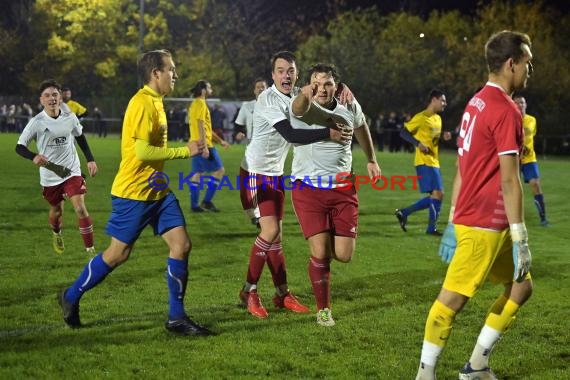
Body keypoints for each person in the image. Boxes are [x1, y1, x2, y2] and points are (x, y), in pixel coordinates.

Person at [57, 49, 211, 336]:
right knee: (118, 254)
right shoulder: (142, 103)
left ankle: (176, 318)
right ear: (156, 73)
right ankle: (71, 294)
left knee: (182, 244)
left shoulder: (156, 101)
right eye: (171, 69)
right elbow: (141, 151)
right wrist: (183, 150)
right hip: (134, 192)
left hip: (157, 189)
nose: (175, 75)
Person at [415, 30, 534, 380]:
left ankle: (476, 365)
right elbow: (511, 179)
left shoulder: (477, 101)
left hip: (484, 221)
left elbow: (462, 166)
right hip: (485, 223)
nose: (530, 70)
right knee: (450, 302)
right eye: (527, 62)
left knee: (521, 287)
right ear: (511, 64)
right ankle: (425, 374)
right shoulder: (506, 110)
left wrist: (452, 218)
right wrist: (521, 237)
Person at [238, 51, 352, 319]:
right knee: (270, 232)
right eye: (280, 70)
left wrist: (344, 89)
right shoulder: (267, 99)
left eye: (290, 70)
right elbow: (291, 135)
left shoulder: (294, 100)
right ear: (273, 75)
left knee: (276, 237)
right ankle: (249, 292)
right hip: (254, 172)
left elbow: (319, 104)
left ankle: (281, 294)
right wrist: (329, 132)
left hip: (275, 174)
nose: (285, 75)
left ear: (297, 75)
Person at [290, 63, 380, 326]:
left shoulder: (349, 107)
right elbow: (297, 108)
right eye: (316, 82)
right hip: (308, 189)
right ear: (309, 85)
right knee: (320, 251)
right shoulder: (304, 106)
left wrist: (372, 159)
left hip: (343, 189)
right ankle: (323, 309)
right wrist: (306, 93)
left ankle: (321, 266)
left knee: (343, 254)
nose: (322, 88)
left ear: (336, 87)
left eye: (328, 83)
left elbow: (361, 126)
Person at [16, 79, 98, 254]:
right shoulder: (36, 122)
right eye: (47, 95)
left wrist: (90, 159)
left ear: (60, 97)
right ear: (41, 100)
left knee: (80, 208)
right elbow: (19, 146)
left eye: (55, 94)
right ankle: (56, 232)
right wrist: (33, 156)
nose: (51, 98)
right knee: (56, 211)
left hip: (71, 170)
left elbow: (80, 137)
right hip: (51, 174)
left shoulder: (70, 117)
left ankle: (90, 252)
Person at [395, 89, 450, 236]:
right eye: (443, 100)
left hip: (434, 161)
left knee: (437, 196)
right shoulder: (421, 117)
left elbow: (433, 140)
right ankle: (431, 229)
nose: (445, 103)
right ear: (434, 100)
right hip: (424, 162)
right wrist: (417, 143)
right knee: (438, 194)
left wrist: (443, 137)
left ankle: (404, 212)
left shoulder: (438, 119)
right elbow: (404, 132)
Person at [187, 80, 230, 213]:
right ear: (204, 89)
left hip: (195, 142)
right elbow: (200, 124)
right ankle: (206, 202)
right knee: (219, 170)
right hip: (203, 144)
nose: (211, 89)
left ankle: (195, 205)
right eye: (209, 87)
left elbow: (206, 127)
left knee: (198, 173)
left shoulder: (195, 104)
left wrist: (220, 141)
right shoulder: (200, 103)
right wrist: (205, 146)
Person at [513, 95, 549, 226]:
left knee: (535, 184)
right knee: (511, 188)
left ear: (526, 104)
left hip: (529, 160)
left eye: (522, 103)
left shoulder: (532, 120)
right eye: (517, 103)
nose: (520, 105)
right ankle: (510, 217)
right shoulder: (509, 120)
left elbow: (531, 136)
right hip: (514, 160)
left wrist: (526, 149)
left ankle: (543, 218)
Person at [233, 78, 268, 144]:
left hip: (270, 144)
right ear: (254, 91)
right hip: (252, 144)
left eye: (263, 87)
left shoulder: (274, 106)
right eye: (258, 87)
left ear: (267, 90)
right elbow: (238, 126)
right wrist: (238, 133)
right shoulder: (246, 106)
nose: (260, 89)